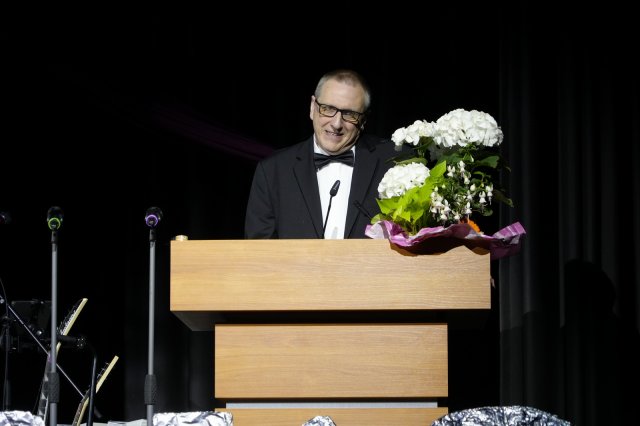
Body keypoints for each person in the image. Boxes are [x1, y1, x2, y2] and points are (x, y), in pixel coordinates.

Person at [245, 69, 399, 239]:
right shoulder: (272, 170)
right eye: (328, 109)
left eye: (349, 114)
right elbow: (259, 248)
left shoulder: (394, 163)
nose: (336, 124)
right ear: (313, 107)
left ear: (363, 120)